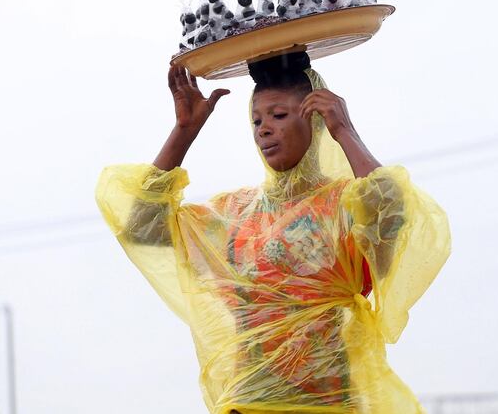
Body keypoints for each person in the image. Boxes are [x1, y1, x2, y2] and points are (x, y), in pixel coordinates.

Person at [95, 51, 451, 414]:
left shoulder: (343, 206)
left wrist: (344, 131)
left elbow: (392, 211)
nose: (263, 128)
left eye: (278, 116)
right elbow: (143, 227)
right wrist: (183, 132)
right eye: (256, 120)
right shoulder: (235, 215)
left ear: (314, 122)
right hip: (248, 403)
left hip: (327, 404)